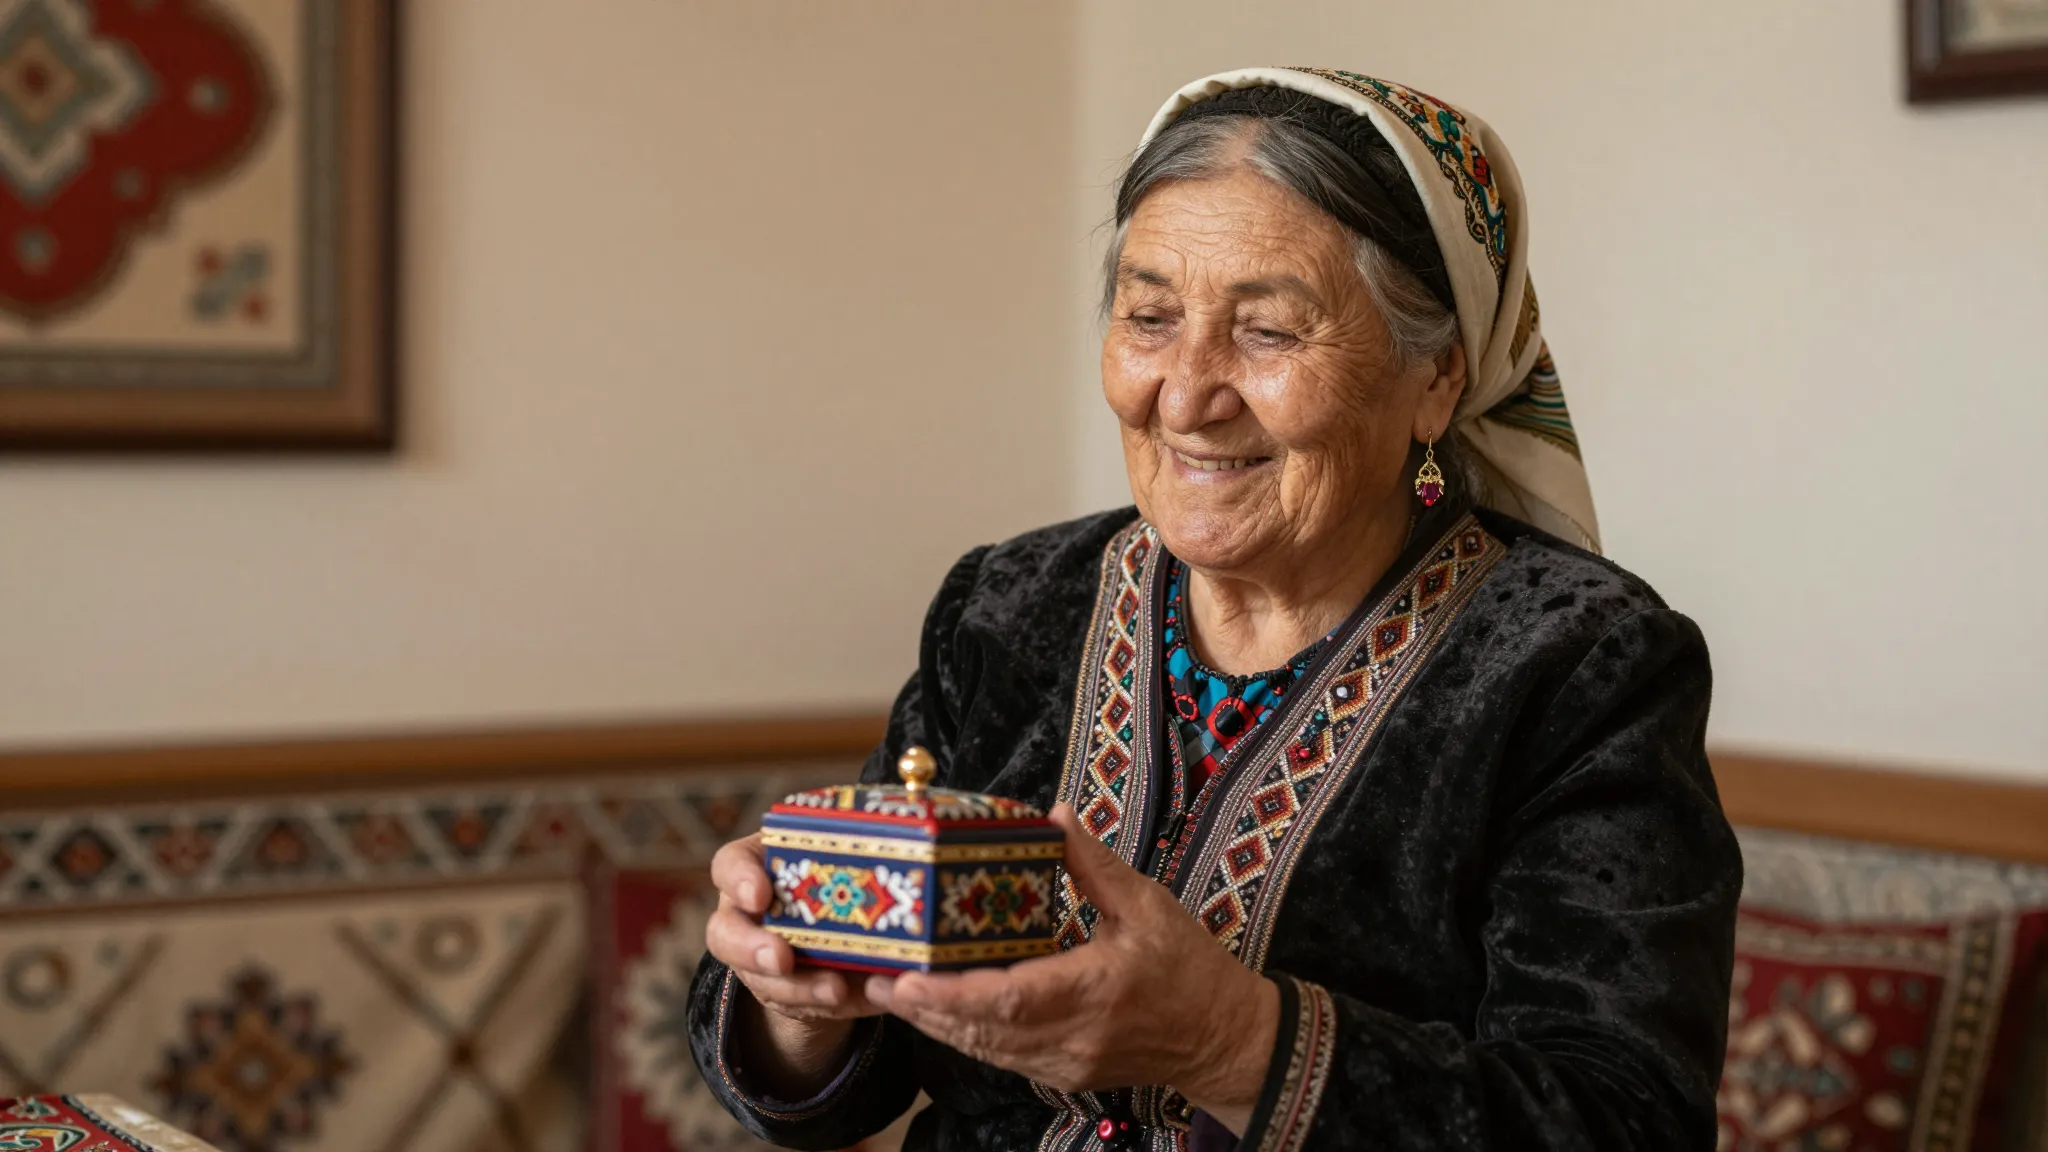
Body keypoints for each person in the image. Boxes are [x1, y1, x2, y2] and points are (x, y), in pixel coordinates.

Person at [687, 67, 1741, 1152]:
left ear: (1436, 379)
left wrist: (1228, 1044)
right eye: (1148, 317)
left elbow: (1624, 1123)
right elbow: (836, 1074)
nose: (1184, 395)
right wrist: (794, 995)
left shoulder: (1573, 662)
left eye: (1268, 333)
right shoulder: (1008, 607)